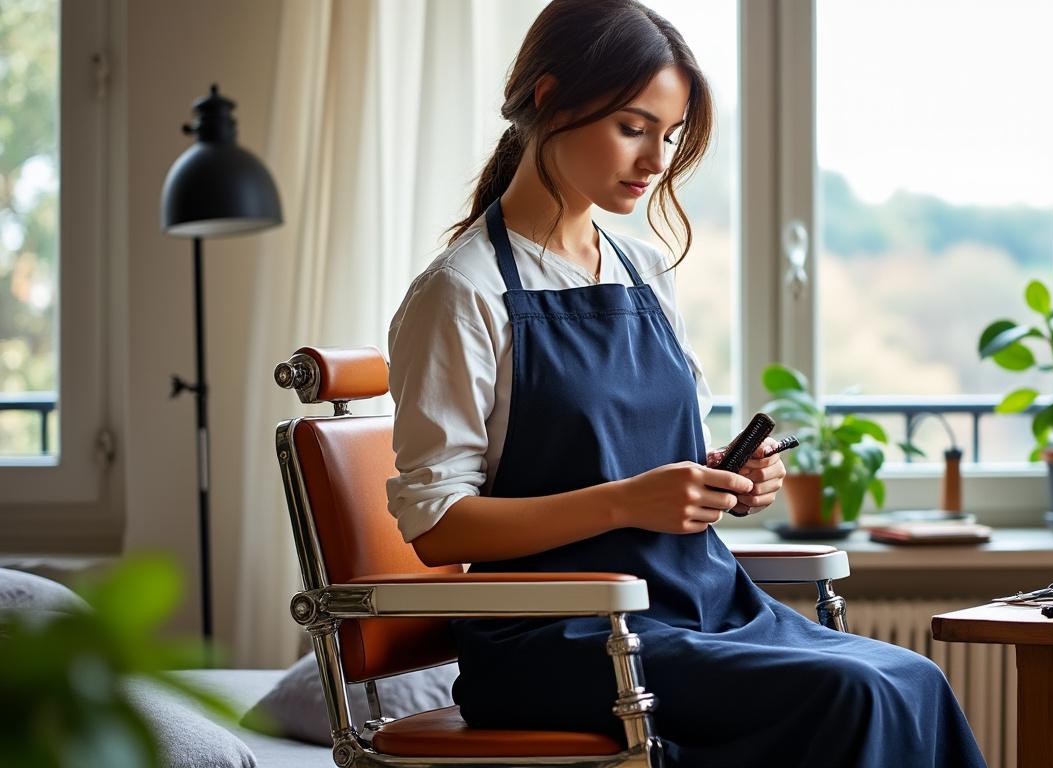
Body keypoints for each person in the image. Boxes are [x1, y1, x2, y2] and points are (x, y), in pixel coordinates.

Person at [385, 2, 987, 766]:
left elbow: (641, 457)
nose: (656, 160)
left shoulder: (643, 268)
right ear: (548, 99)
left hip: (697, 601)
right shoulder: (462, 291)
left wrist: (718, 479)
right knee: (853, 693)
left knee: (914, 679)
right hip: (561, 634)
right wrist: (631, 501)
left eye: (668, 136)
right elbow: (437, 528)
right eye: (633, 128)